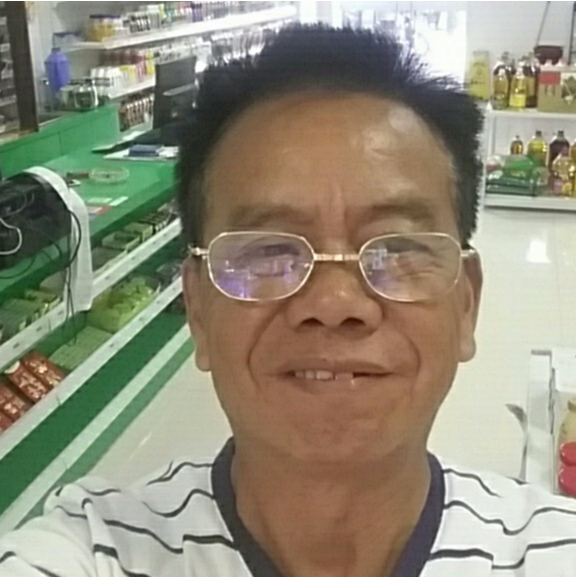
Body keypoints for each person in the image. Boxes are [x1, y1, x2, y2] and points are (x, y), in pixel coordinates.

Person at [0, 25, 575, 577]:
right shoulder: (92, 552)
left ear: (466, 303)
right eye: (270, 250)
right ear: (197, 309)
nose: (335, 301)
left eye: (396, 247)